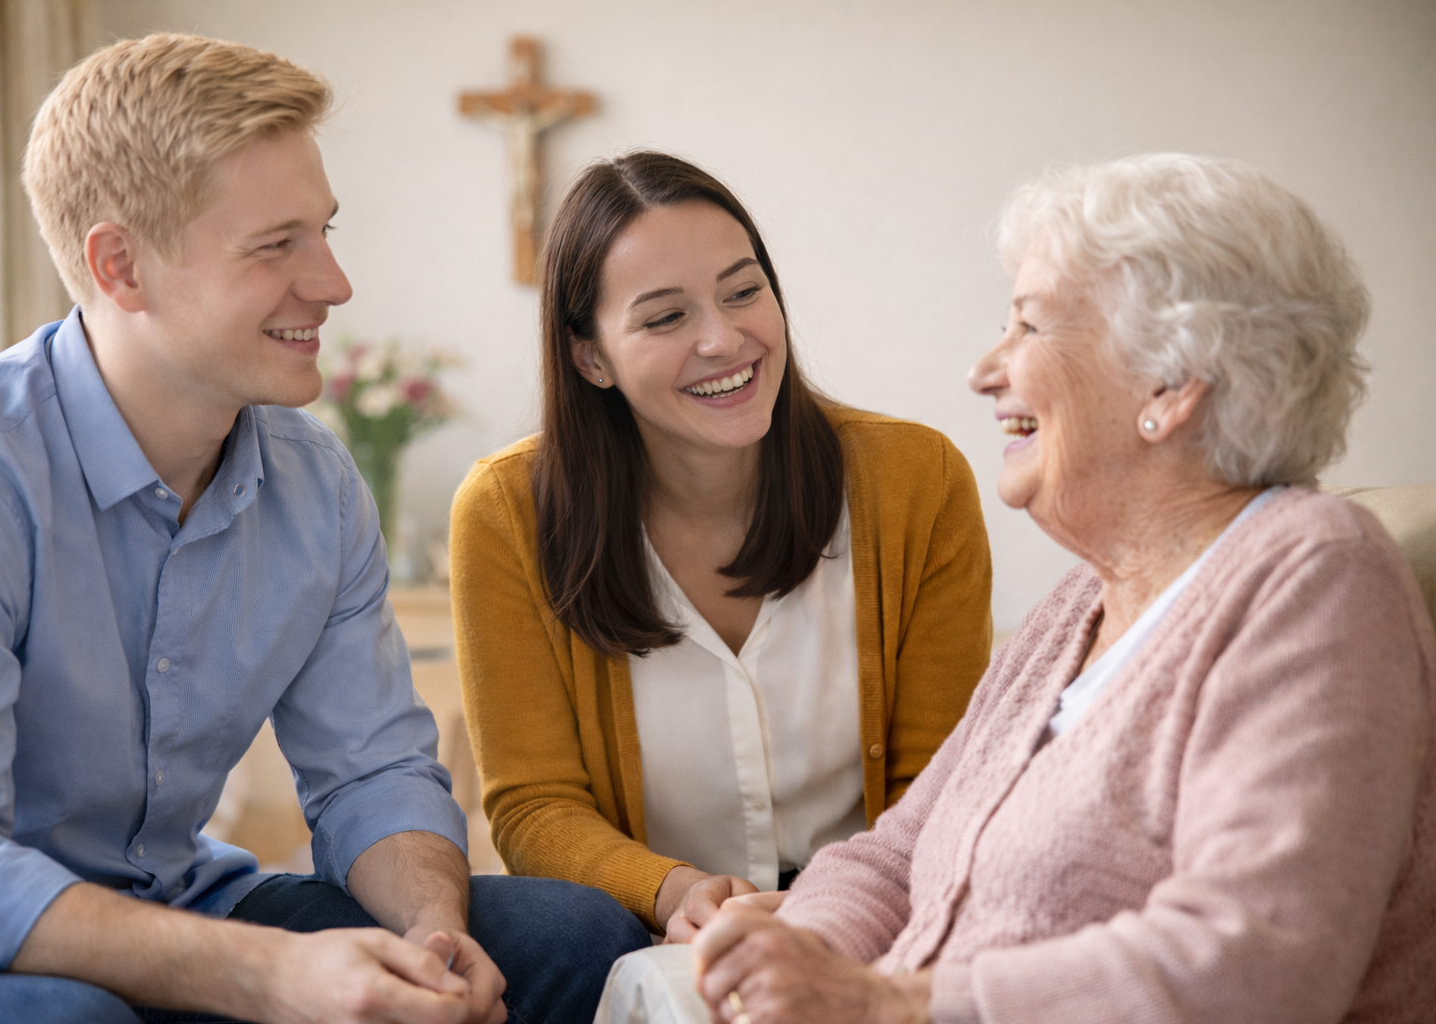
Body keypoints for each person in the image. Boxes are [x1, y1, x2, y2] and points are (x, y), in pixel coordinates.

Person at [0, 34, 646, 1024]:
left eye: (324, 231)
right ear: (120, 266)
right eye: (276, 245)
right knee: (68, 1019)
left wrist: (432, 932)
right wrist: (263, 976)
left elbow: (372, 770)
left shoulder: (316, 481)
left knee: (573, 937)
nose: (334, 283)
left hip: (183, 895)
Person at [599, 154, 1436, 1023]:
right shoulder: (1080, 607)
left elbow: (1248, 962)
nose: (986, 370)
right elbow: (890, 857)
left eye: (1029, 329)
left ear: (1172, 384)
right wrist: (800, 954)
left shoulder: (1316, 580)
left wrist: (886, 1004)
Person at [449, 152, 994, 941]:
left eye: (744, 292)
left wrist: (837, 918)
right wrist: (677, 894)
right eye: (665, 317)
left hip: (882, 919)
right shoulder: (506, 513)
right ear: (590, 356)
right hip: (645, 928)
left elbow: (939, 780)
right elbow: (535, 807)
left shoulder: (915, 480)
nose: (723, 339)